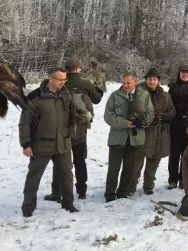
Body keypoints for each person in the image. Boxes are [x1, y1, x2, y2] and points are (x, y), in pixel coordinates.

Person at [19, 67, 88, 217]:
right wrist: (26, 144)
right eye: (60, 80)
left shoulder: (66, 94)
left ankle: (68, 204)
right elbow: (25, 122)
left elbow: (72, 116)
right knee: (33, 177)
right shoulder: (36, 97)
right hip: (41, 144)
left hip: (62, 143)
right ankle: (28, 208)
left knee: (67, 176)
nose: (63, 83)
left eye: (65, 80)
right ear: (50, 78)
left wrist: (81, 116)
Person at [47, 58, 103, 202]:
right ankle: (81, 190)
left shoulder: (60, 83)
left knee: (60, 160)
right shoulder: (85, 84)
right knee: (79, 159)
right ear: (78, 69)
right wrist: (98, 89)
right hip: (79, 127)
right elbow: (96, 99)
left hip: (60, 128)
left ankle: (56, 191)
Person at [103, 72, 154, 202]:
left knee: (129, 168)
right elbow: (108, 116)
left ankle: (122, 192)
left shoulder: (144, 95)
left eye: (128, 83)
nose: (125, 85)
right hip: (117, 138)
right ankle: (109, 194)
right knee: (113, 168)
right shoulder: (115, 96)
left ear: (135, 82)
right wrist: (125, 123)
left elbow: (150, 113)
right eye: (124, 82)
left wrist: (140, 123)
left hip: (135, 138)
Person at [129, 68, 175, 195]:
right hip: (142, 131)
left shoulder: (165, 95)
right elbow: (132, 109)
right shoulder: (137, 92)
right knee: (137, 160)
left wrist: (163, 117)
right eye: (150, 79)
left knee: (154, 160)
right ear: (146, 80)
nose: (152, 82)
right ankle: (131, 186)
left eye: (155, 79)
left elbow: (172, 111)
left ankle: (148, 185)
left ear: (158, 81)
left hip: (159, 132)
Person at [167, 64, 188, 189]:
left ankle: (184, 178)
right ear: (179, 74)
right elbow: (169, 103)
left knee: (186, 154)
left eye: (187, 73)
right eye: (183, 72)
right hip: (175, 123)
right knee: (174, 153)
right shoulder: (173, 86)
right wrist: (178, 111)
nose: (185, 75)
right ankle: (172, 179)